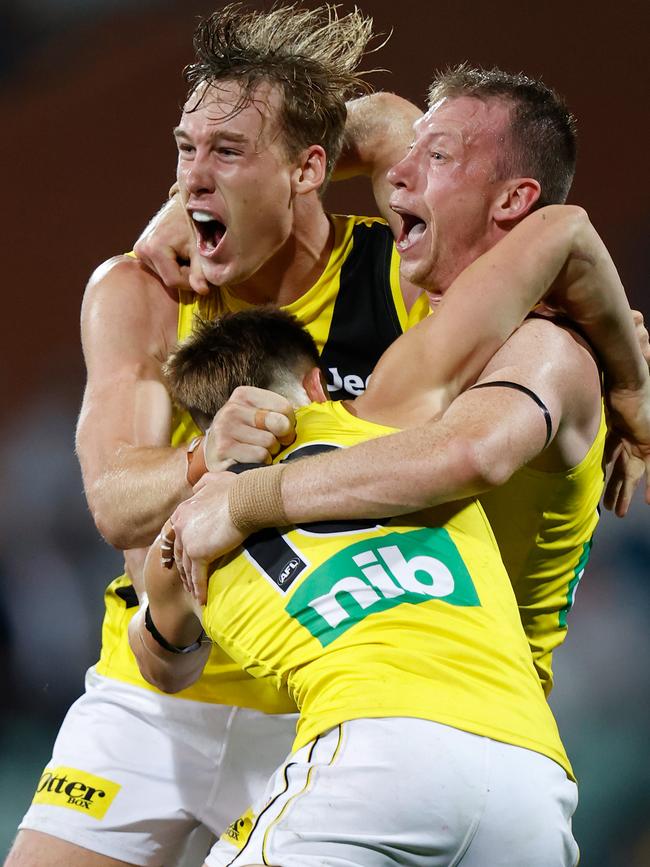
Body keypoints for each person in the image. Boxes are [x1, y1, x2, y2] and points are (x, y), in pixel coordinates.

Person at [7, 6, 429, 867]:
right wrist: (206, 457)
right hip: (155, 697)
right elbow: (116, 503)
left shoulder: (398, 273)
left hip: (324, 702)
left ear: (312, 167)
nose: (192, 180)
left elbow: (397, 128)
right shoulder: (145, 290)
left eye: (226, 152)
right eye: (183, 151)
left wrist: (623, 362)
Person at [132, 206, 631, 865]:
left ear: (202, 428)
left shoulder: (190, 531)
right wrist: (636, 382)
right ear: (317, 382)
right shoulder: (401, 417)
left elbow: (163, 662)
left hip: (371, 759)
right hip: (531, 780)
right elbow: (564, 229)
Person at [167, 66, 650, 701]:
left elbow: (466, 452)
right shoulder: (431, 345)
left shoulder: (544, 349)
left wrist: (241, 497)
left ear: (513, 203)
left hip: (462, 701)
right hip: (364, 686)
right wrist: (182, 205)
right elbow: (383, 124)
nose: (398, 170)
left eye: (439, 154)